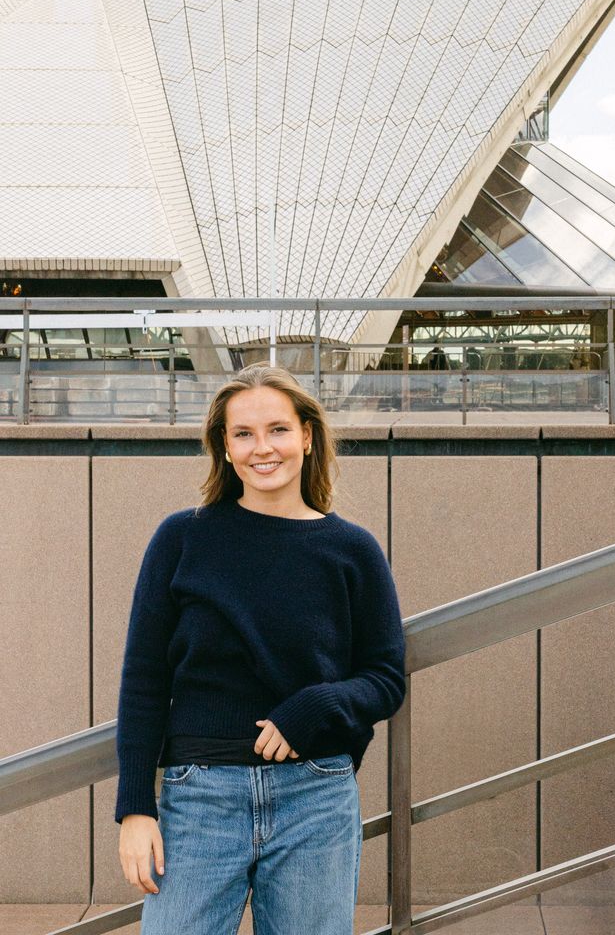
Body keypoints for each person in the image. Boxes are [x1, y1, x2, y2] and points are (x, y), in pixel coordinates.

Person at [115, 363, 407, 933]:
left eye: (277, 429)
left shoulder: (352, 550)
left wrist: (317, 705)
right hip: (197, 798)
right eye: (243, 434)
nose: (261, 448)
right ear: (224, 447)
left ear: (306, 435)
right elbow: (144, 678)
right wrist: (134, 807)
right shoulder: (183, 537)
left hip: (315, 797)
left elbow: (386, 676)